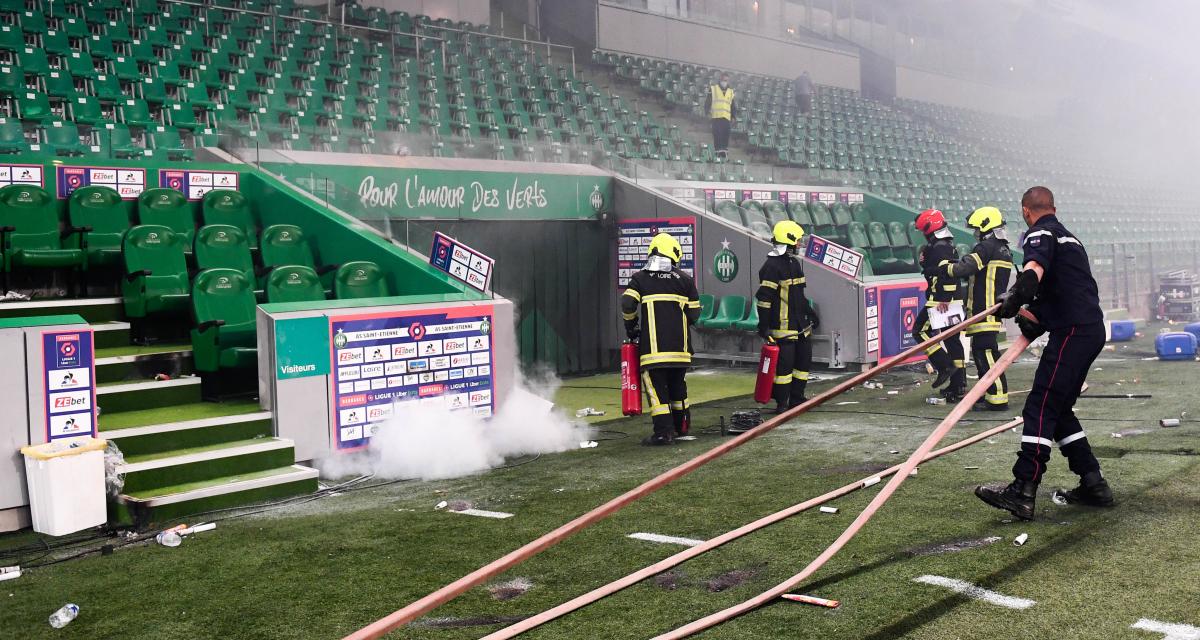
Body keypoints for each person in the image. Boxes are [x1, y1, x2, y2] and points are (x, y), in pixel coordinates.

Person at [975, 186, 1113, 520]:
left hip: (1073, 332)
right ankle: (1093, 482)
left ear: (1026, 210)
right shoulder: (1071, 240)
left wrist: (1016, 297)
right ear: (1054, 206)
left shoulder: (1039, 233)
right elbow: (1065, 290)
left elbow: (1034, 271)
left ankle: (1023, 490)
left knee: (1039, 406)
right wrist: (1034, 313)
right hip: (1090, 328)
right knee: (1060, 409)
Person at [621, 233, 702, 446]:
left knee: (658, 393)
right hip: (681, 350)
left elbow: (627, 304)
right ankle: (682, 427)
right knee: (678, 388)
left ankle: (663, 434)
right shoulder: (685, 280)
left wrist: (632, 327)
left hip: (654, 352)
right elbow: (694, 316)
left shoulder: (641, 278)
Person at [944, 206, 1014, 411]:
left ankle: (998, 398)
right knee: (983, 352)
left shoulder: (986, 247)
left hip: (985, 310)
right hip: (993, 311)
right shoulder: (1004, 248)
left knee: (987, 354)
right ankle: (991, 394)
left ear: (986, 225)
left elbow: (966, 267)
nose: (975, 233)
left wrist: (945, 268)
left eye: (977, 228)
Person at [755, 220, 819, 414]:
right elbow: (764, 299)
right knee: (784, 369)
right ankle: (782, 402)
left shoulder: (793, 263)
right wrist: (764, 326)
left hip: (800, 324)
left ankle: (797, 398)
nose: (799, 244)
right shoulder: (772, 266)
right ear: (788, 241)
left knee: (803, 363)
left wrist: (810, 313)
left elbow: (799, 295)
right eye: (797, 241)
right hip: (782, 327)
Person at [913, 209, 966, 401]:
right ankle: (958, 385)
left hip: (941, 300)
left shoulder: (940, 247)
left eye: (923, 230)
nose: (923, 234)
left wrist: (944, 298)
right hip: (952, 299)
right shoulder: (944, 245)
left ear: (929, 227)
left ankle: (944, 366)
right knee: (952, 341)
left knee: (919, 331)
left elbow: (948, 273)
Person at [703, 73, 737, 160]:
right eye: (723, 80)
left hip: (726, 118)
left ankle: (724, 152)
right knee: (717, 135)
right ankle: (718, 152)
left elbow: (733, 105)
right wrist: (707, 112)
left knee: (726, 135)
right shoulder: (714, 89)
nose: (724, 82)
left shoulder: (730, 91)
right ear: (720, 79)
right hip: (716, 117)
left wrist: (733, 116)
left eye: (726, 80)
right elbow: (708, 102)